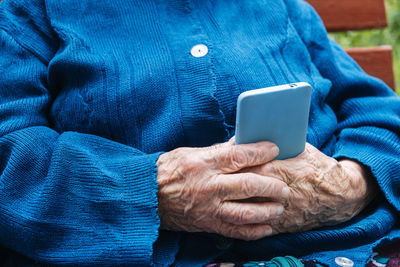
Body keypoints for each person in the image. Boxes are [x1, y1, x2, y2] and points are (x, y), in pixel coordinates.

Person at [0, 0, 399, 265]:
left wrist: (353, 184)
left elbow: (376, 108)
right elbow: (10, 150)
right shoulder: (26, 11)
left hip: (355, 247)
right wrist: (155, 192)